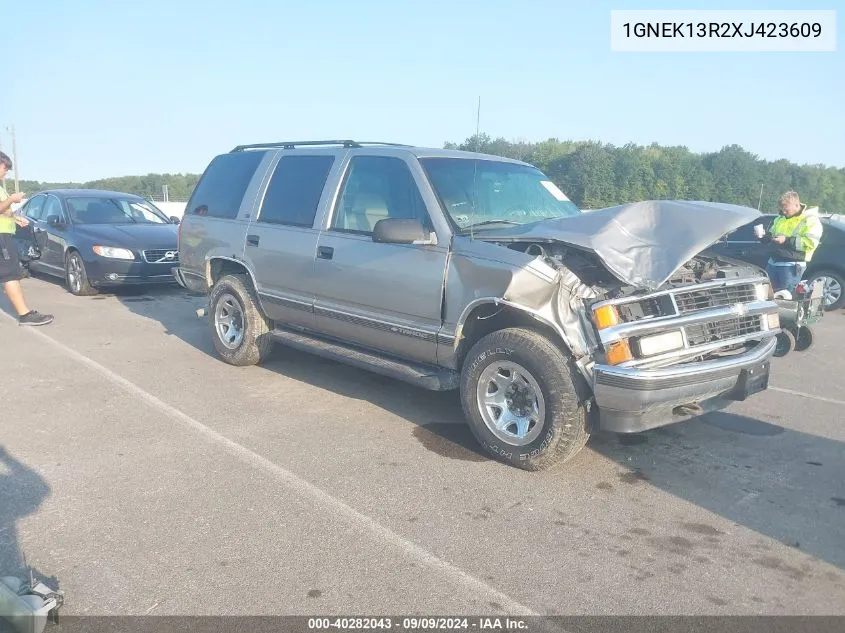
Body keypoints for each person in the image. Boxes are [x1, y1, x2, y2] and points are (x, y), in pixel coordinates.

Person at [0, 151, 54, 325]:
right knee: (10, 274)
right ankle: (25, 314)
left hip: (5, 232)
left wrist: (15, 218)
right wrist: (11, 200)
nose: (6, 172)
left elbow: (4, 211)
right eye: (5, 168)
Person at [757, 190, 824, 295]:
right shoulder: (780, 218)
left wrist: (786, 240)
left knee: (788, 298)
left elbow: (810, 243)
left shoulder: (810, 220)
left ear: (796, 205)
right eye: (782, 209)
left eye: (786, 210)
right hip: (773, 263)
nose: (784, 212)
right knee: (767, 297)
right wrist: (763, 237)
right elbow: (772, 236)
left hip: (791, 265)